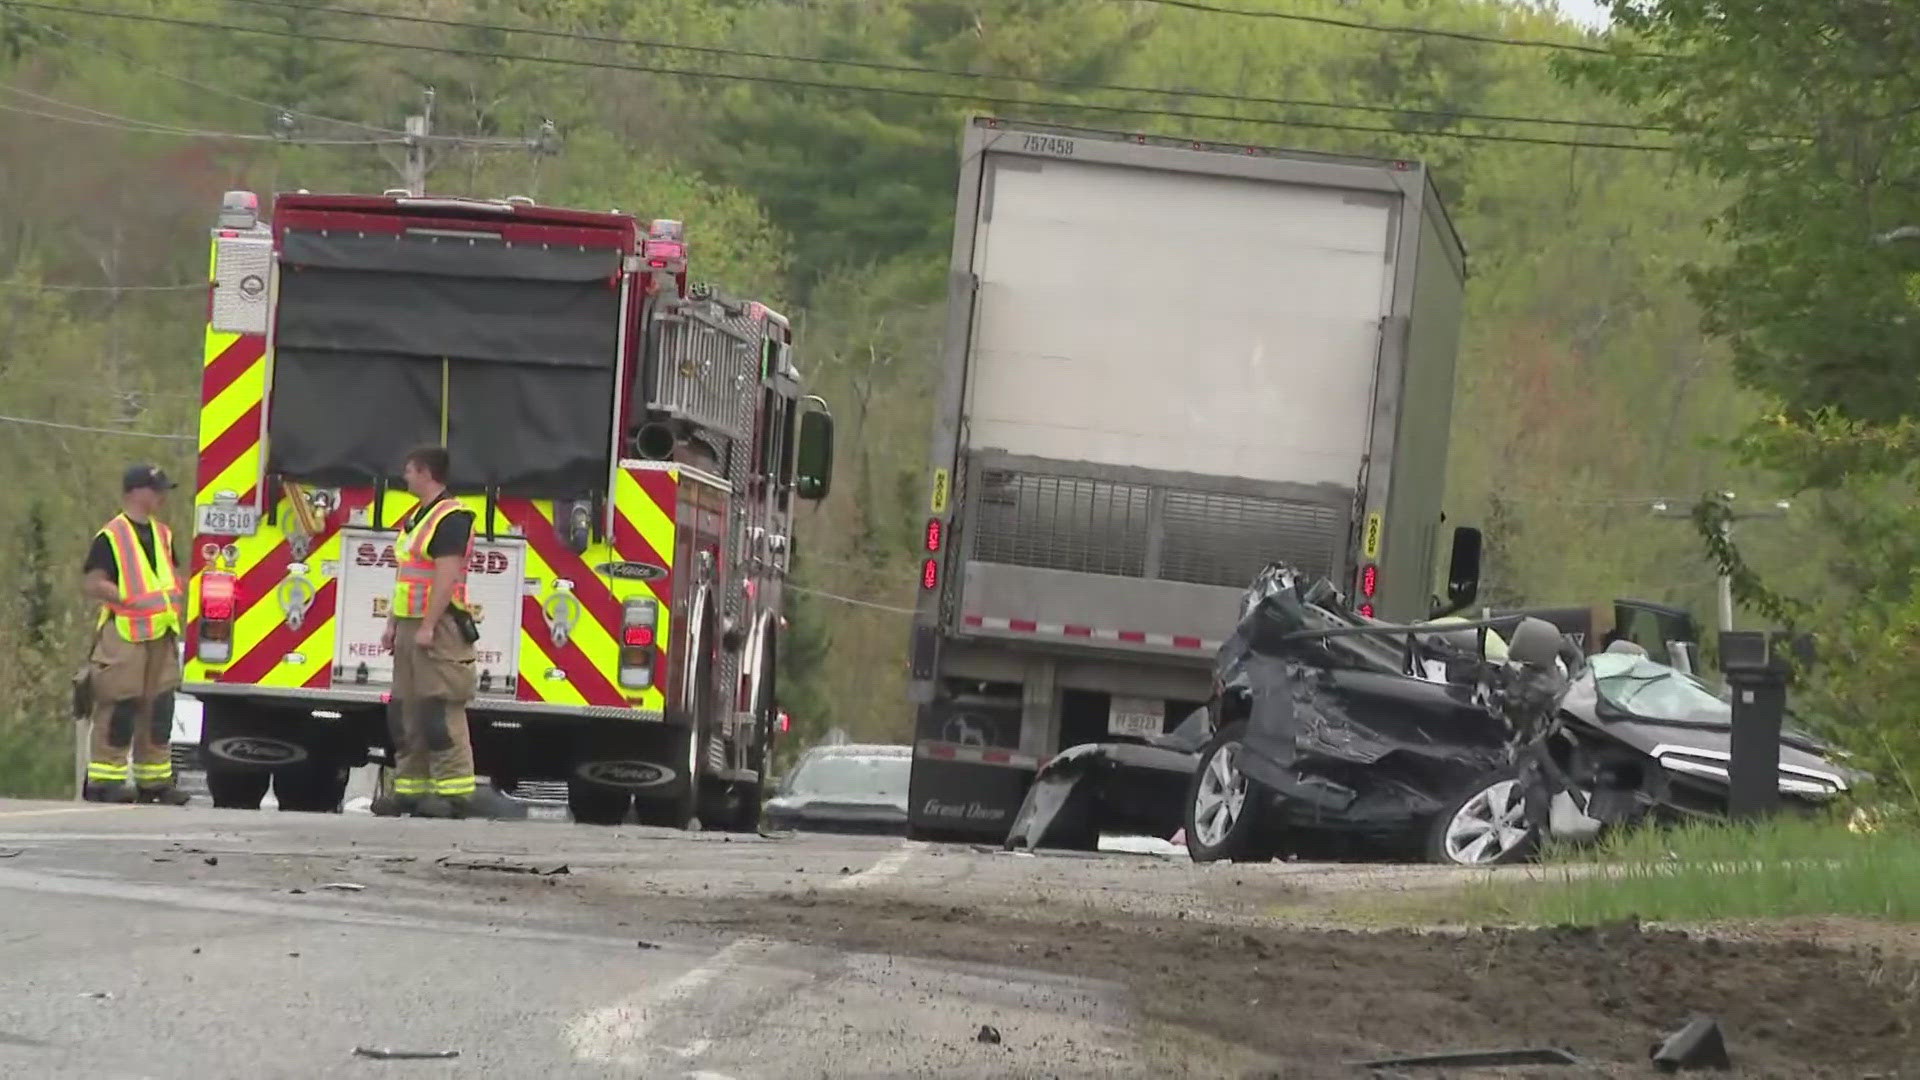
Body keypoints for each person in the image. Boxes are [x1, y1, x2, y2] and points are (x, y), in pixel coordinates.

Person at [370, 445, 503, 819]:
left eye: (409, 470)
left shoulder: (452, 518)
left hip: (439, 626)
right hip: (411, 625)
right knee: (406, 710)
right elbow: (406, 575)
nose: (405, 476)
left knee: (439, 708)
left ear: (426, 472)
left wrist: (429, 624)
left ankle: (454, 794)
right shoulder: (417, 517)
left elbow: (446, 578)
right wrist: (393, 624)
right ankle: (410, 790)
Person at [81, 465, 190, 805]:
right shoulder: (111, 536)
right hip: (124, 633)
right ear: (135, 492)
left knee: (159, 707)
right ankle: (104, 780)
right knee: (121, 704)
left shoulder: (163, 534)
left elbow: (170, 576)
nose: (161, 495)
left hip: (160, 634)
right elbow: (93, 583)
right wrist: (127, 599)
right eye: (155, 489)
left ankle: (154, 781)